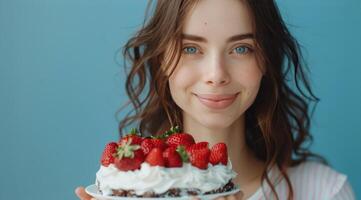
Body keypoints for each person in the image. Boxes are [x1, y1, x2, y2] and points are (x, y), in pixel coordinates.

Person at [75, 0, 356, 199]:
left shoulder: (323, 191)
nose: (216, 75)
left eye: (242, 48)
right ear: (161, 59)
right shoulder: (128, 191)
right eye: (191, 48)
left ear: (266, 60)